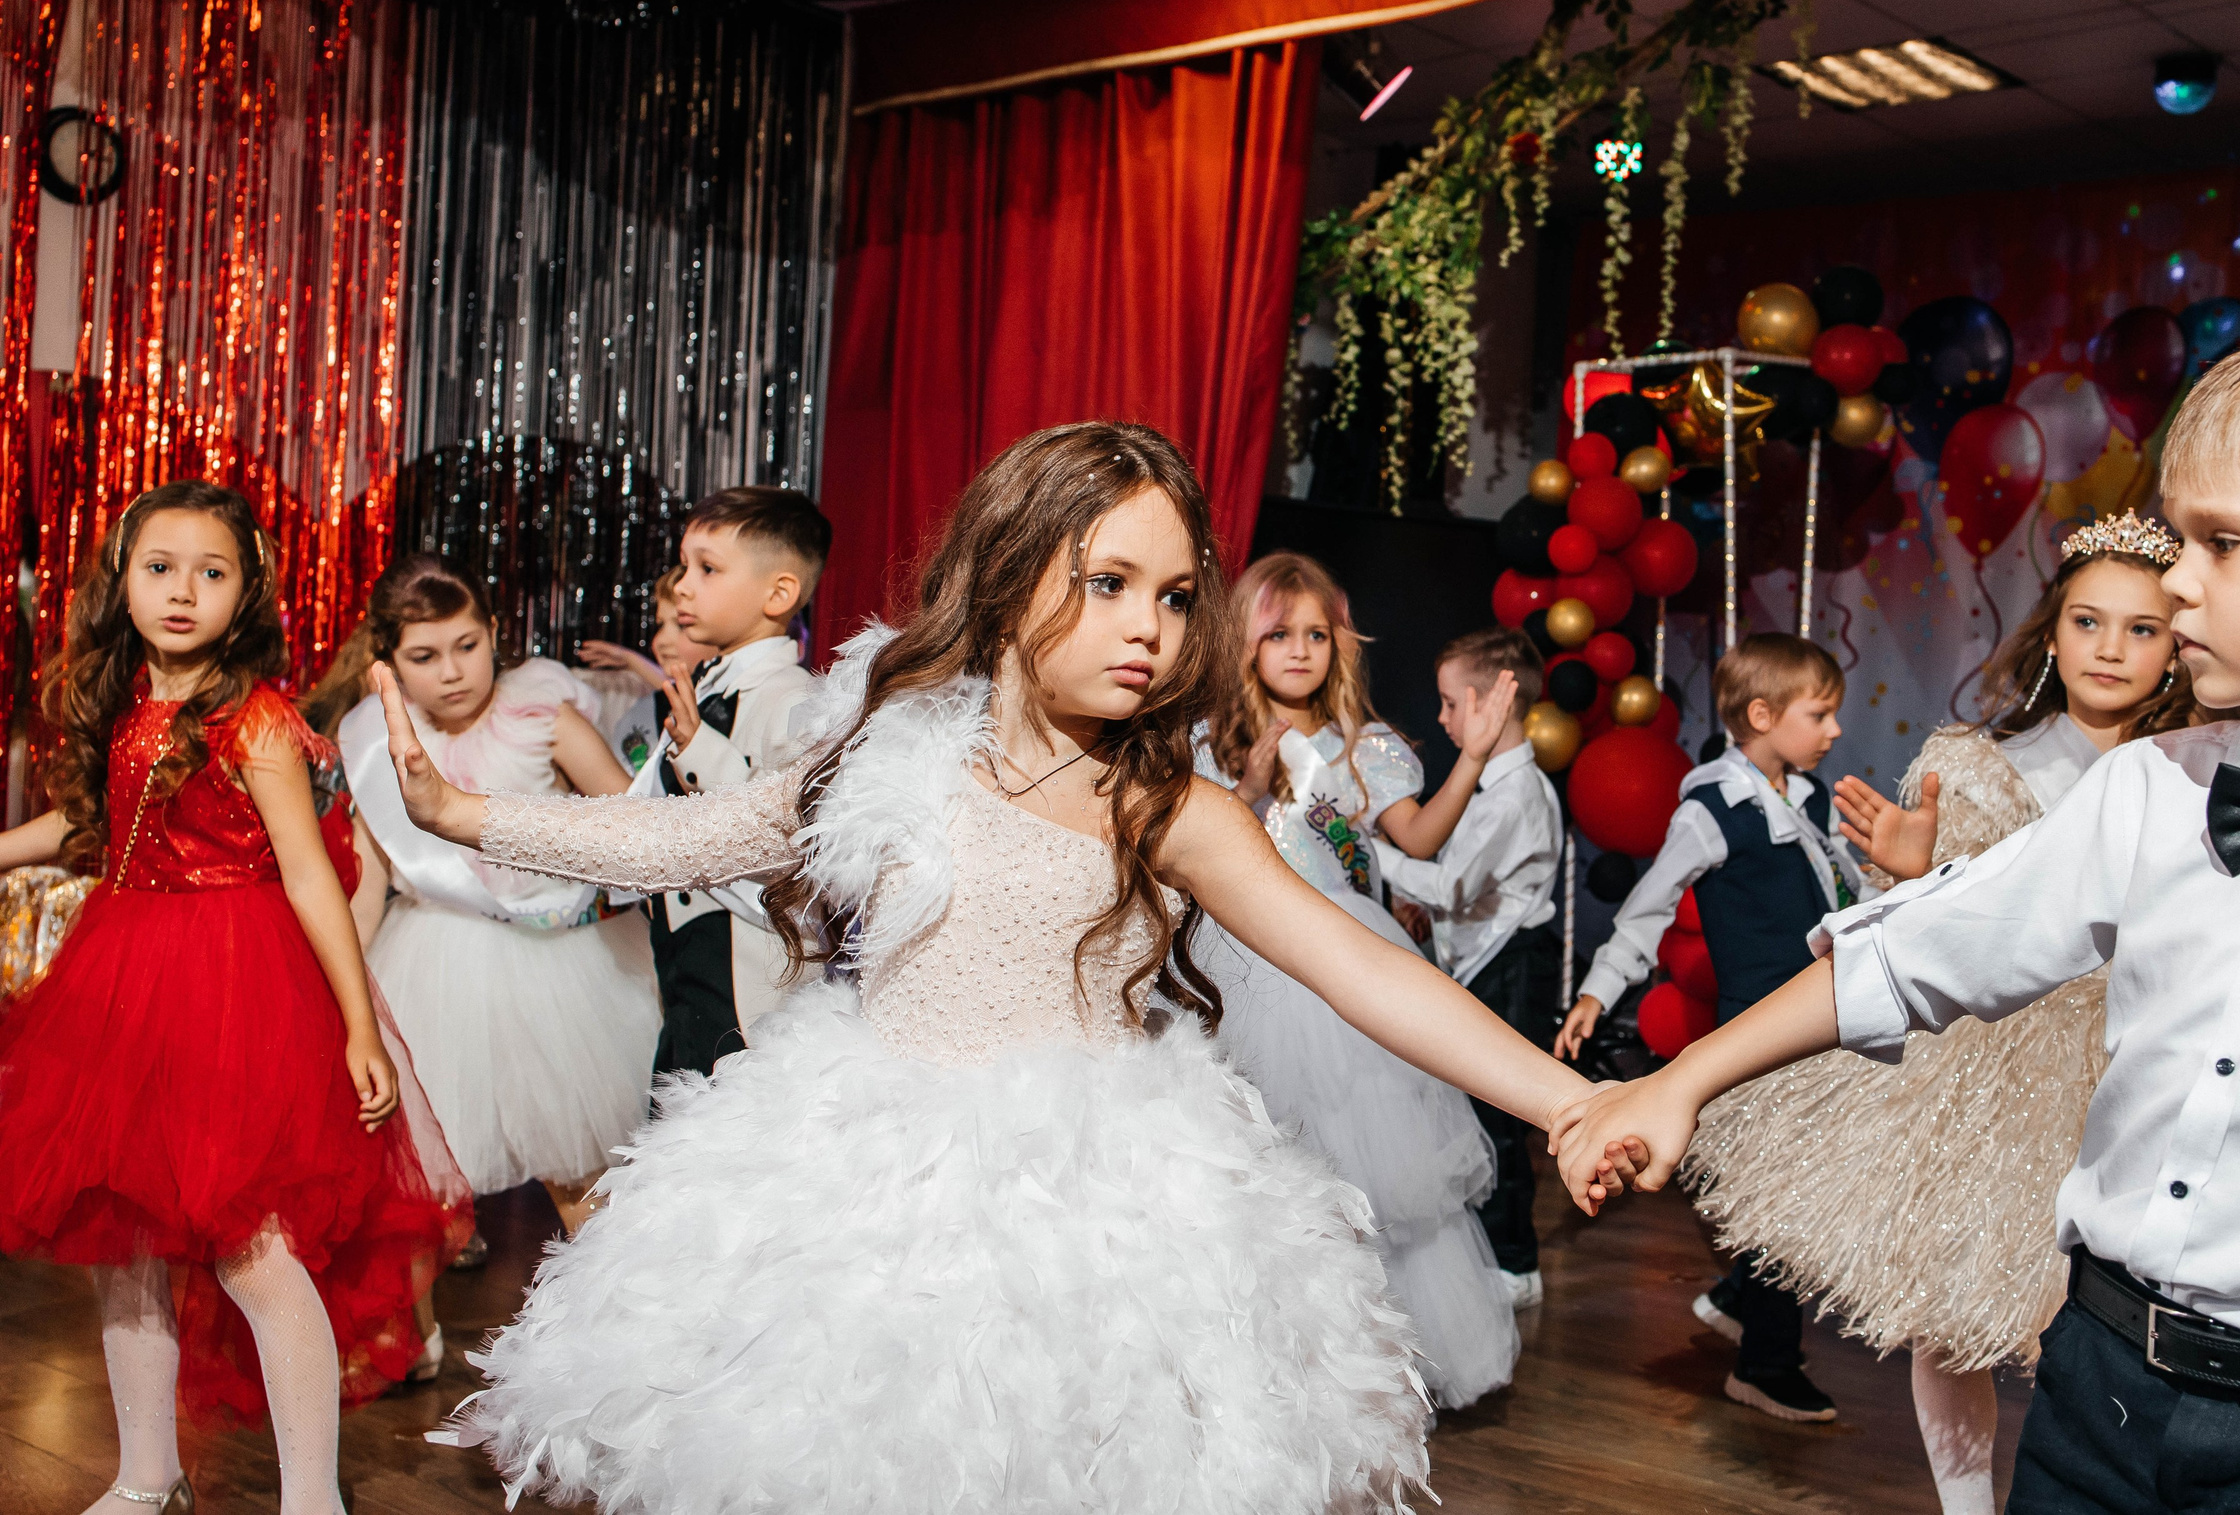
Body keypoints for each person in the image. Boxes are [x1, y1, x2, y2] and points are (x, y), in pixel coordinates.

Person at [373, 422, 1618, 1513]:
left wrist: (1568, 1100)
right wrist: (464, 815)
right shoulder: (889, 751)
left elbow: (1358, 965)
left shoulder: (1167, 806)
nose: (1150, 626)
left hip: (1087, 1214)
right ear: (1013, 575)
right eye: (1111, 583)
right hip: (866, 1183)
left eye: (1175, 596)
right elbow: (692, 836)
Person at [1561, 314, 2240, 1515]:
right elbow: (1915, 955)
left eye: (2221, 542)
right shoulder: (2147, 791)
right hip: (2094, 1395)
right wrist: (1679, 1082)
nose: (2175, 582)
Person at [1671, 514, 2200, 1514]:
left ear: (2177, 645)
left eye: (2142, 629)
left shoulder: (2200, 772)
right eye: (2088, 621)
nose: (2110, 648)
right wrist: (1912, 872)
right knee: (1949, 1314)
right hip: (1987, 1073)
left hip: (2134, 1065)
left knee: (2109, 1326)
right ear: (2052, 634)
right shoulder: (1974, 760)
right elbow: (1926, 939)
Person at [0, 481, 466, 1515]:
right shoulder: (130, 704)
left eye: (210, 573)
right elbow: (96, 827)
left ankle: (311, 1497)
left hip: (231, 988)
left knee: (250, 1247)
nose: (182, 592)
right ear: (122, 582)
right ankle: (145, 1475)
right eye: (160, 569)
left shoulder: (255, 719)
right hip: (128, 985)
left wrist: (357, 1025)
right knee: (128, 1249)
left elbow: (309, 875)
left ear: (246, 590)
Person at [1192, 555, 1521, 1408]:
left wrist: (1471, 758)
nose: (1300, 650)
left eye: (1316, 634)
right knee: (1264, 1161)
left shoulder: (1363, 747)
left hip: (1344, 953)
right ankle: (1279, 1369)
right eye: (1280, 634)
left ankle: (1388, 1369)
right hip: (1248, 954)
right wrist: (1250, 787)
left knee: (1375, 1166)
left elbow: (1418, 838)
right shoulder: (1208, 742)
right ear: (1246, 640)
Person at [1554, 632, 1870, 1423]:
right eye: (1820, 714)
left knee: (1802, 1184)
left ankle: (1738, 1297)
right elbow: (1649, 906)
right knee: (1778, 1197)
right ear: (1762, 715)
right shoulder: (1714, 809)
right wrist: (1596, 990)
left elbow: (1842, 895)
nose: (1835, 730)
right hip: (1756, 1036)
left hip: (1817, 1026)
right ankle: (1764, 1364)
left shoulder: (1811, 799)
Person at [338, 556, 660, 1237]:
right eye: (424, 657)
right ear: (388, 661)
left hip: (558, 962)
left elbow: (634, 825)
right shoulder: (376, 740)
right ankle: (433, 1296)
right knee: (417, 1176)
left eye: (467, 646)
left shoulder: (543, 713)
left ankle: (603, 1299)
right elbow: (369, 883)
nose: (452, 672)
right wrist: (341, 995)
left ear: (492, 632)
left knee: (579, 1175)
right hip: (429, 966)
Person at [1369, 626, 1565, 1308]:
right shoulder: (1501, 789)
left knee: (1500, 1117)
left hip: (1514, 964)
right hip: (1492, 960)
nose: (1443, 717)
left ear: (1490, 705)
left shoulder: (1515, 794)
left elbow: (1451, 886)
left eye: (1452, 703)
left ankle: (1514, 1262)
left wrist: (1369, 850)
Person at [627, 487, 827, 1075]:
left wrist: (699, 751)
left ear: (779, 593)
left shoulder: (794, 699)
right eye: (684, 565)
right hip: (684, 968)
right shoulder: (708, 686)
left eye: (707, 569)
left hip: (746, 979)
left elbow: (789, 840)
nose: (683, 586)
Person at [578, 566, 720, 773]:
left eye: (681, 625)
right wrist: (632, 662)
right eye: (660, 625)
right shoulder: (648, 709)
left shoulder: (725, 706)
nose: (661, 640)